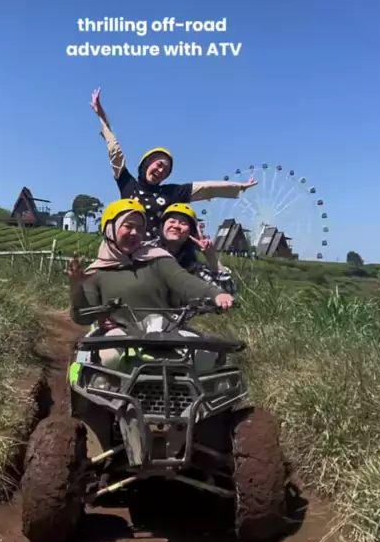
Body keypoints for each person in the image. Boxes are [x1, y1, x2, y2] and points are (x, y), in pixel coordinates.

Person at [68, 198, 234, 372]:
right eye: (128, 226)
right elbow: (83, 318)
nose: (135, 233)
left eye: (140, 228)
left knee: (205, 355)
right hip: (120, 333)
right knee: (108, 358)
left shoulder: (157, 258)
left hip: (165, 331)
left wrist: (216, 294)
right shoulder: (95, 272)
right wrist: (76, 288)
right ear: (110, 228)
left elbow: (185, 281)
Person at [90, 88, 258, 239]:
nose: (161, 171)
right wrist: (102, 117)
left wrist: (238, 187)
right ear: (146, 164)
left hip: (154, 252)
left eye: (166, 170)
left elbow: (206, 188)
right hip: (125, 246)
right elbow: (115, 152)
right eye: (159, 164)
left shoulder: (170, 193)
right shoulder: (128, 184)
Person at [159, 203, 236, 295]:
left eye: (183, 223)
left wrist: (211, 256)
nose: (176, 226)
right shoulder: (147, 254)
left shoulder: (194, 269)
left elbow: (228, 291)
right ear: (162, 226)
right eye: (172, 221)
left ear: (191, 232)